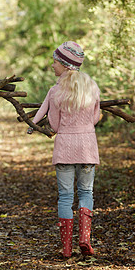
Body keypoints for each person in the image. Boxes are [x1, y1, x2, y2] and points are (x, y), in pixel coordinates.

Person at [27, 41, 100, 258]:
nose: (52, 66)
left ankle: (66, 247)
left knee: (66, 196)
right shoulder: (91, 86)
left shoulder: (56, 91)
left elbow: (56, 126)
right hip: (87, 147)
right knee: (86, 192)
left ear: (65, 65)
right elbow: (95, 118)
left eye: (55, 62)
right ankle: (85, 238)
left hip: (65, 148)